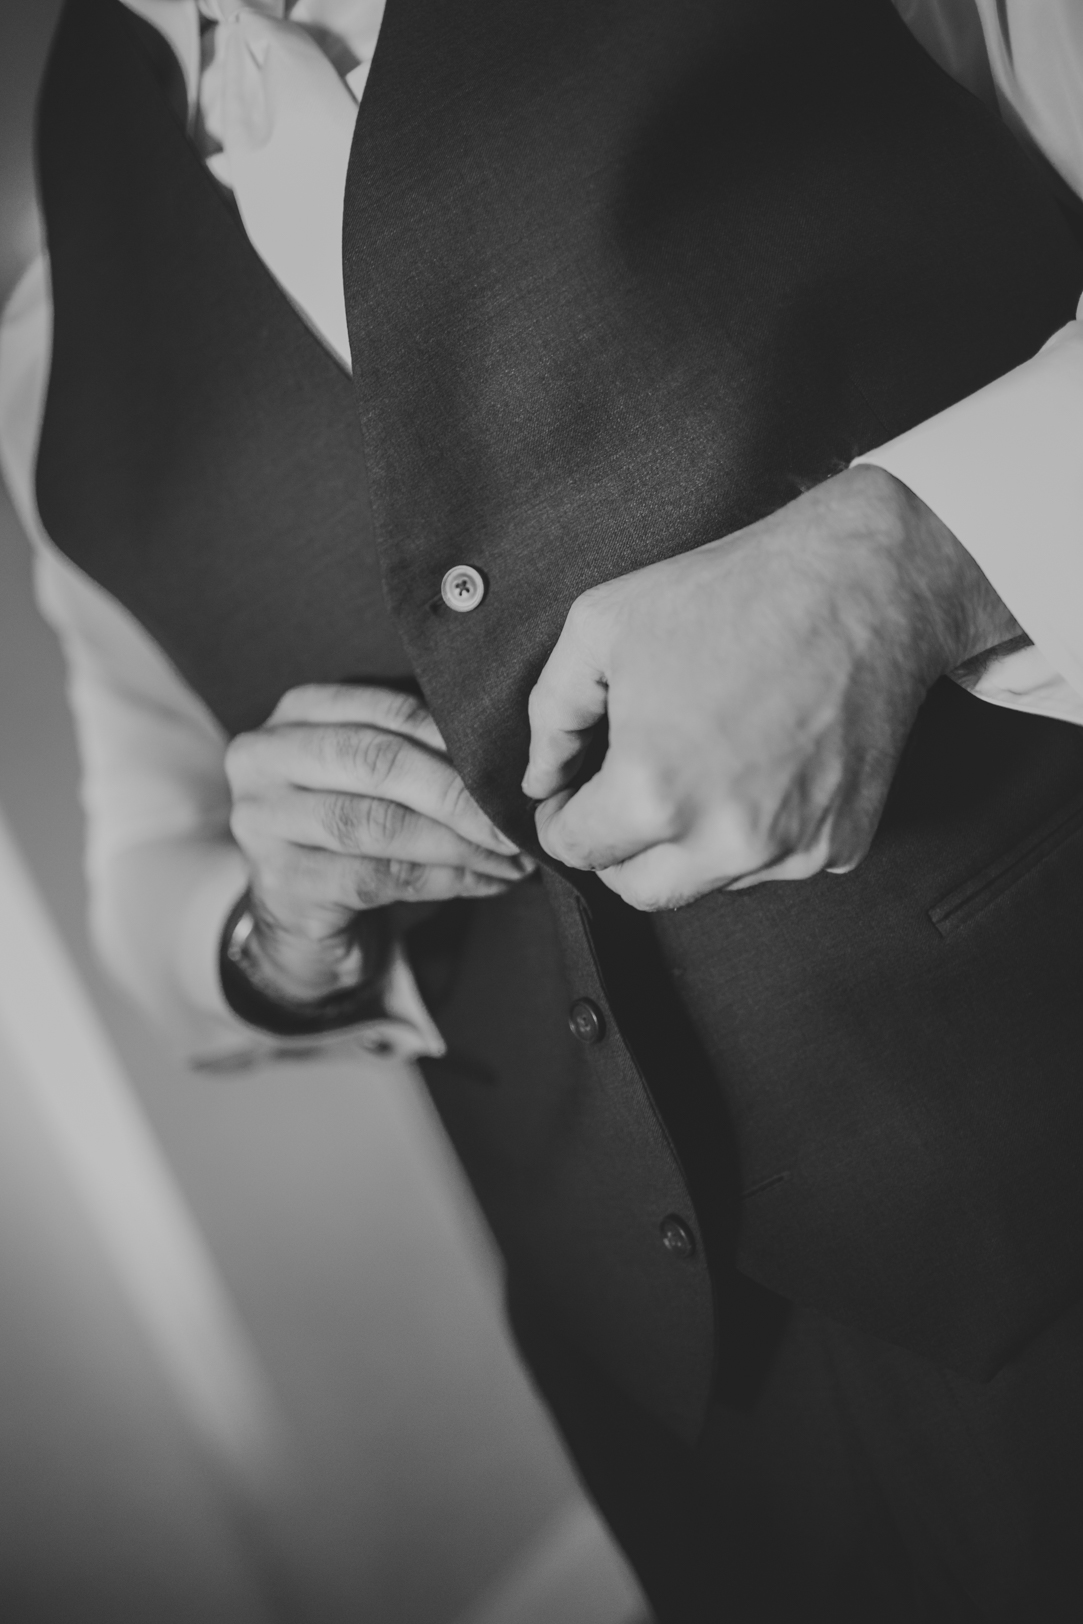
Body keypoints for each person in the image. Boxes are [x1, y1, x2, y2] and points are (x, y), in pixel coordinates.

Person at [2, 0, 1083, 1616]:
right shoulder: (54, 320)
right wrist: (266, 922)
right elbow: (143, 845)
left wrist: (913, 559)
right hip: (689, 1421)